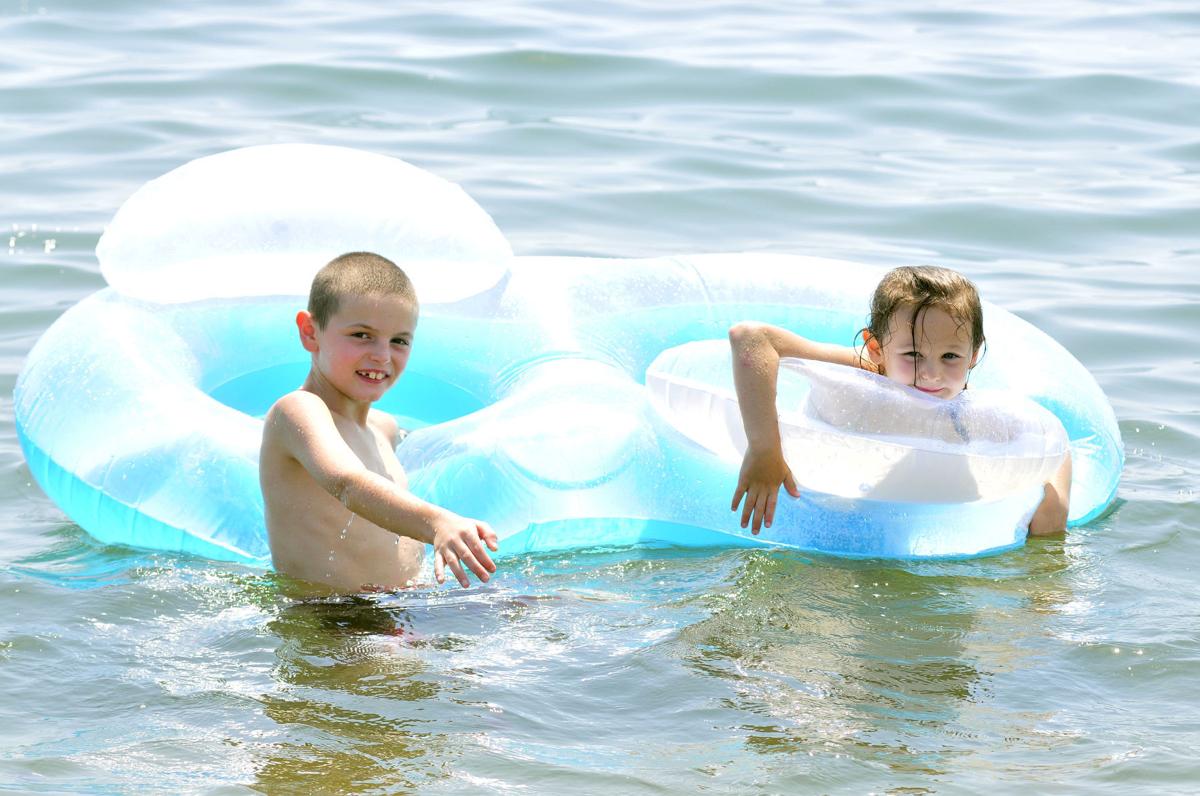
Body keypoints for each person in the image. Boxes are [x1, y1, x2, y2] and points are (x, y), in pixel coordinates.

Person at [728, 265, 1072, 536]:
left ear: (973, 355)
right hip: (832, 502)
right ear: (877, 348)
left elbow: (1044, 438)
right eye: (913, 355)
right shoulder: (863, 371)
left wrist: (1057, 501)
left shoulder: (969, 411)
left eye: (950, 356)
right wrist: (765, 450)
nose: (932, 374)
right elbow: (751, 338)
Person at [260, 251, 498, 593]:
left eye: (399, 341)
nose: (382, 355)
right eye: (361, 335)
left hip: (403, 605)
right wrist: (437, 522)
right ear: (310, 332)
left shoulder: (384, 428)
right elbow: (348, 483)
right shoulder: (299, 411)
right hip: (332, 621)